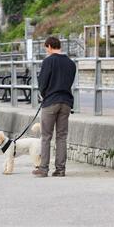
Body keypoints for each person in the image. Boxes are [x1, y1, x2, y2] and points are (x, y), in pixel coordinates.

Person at [32, 37, 76, 178]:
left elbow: (42, 83)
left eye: (46, 48)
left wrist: (44, 95)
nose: (46, 51)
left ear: (50, 46)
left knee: (46, 136)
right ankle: (60, 169)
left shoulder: (48, 61)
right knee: (61, 137)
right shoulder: (71, 63)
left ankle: (43, 169)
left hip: (51, 102)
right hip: (66, 102)